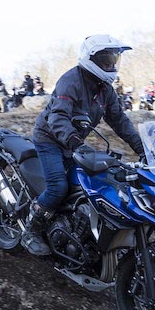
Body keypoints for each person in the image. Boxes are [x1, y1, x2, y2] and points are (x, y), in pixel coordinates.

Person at [23, 34, 145, 255]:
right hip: (50, 139)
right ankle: (31, 230)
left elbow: (119, 121)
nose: (111, 64)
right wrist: (77, 145)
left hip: (72, 141)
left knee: (92, 183)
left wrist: (143, 150)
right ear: (91, 58)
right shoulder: (71, 81)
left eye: (113, 60)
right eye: (106, 60)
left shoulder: (104, 89)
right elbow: (58, 118)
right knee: (58, 187)